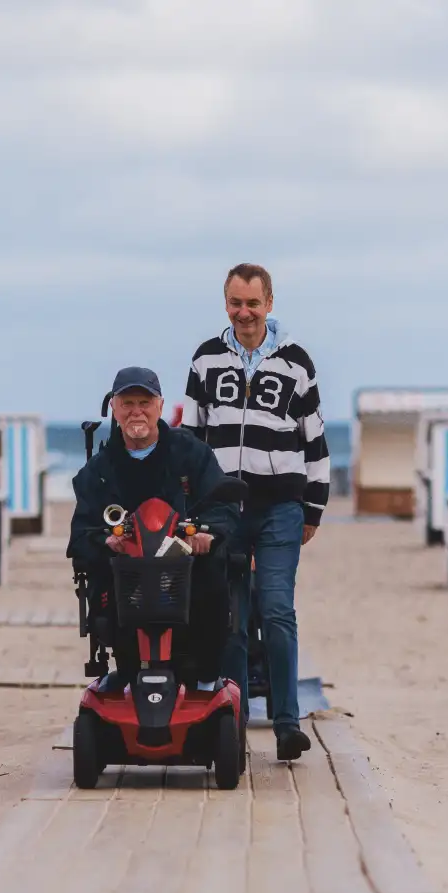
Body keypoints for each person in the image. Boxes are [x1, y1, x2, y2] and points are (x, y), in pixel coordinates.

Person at [181, 263, 330, 760]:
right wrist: (191, 507)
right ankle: (235, 717)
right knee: (232, 618)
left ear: (269, 303)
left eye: (253, 303)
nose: (244, 313)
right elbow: (192, 442)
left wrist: (313, 508)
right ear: (226, 303)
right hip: (223, 513)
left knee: (276, 610)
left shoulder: (296, 363)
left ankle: (287, 724)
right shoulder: (206, 360)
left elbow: (315, 442)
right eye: (235, 303)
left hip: (279, 510)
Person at [67, 366, 239, 686]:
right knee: (103, 578)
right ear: (113, 409)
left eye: (144, 403)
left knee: (216, 570)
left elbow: (223, 506)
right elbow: (80, 534)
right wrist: (105, 543)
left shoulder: (191, 453)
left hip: (186, 570)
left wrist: (209, 533)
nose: (136, 412)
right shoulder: (99, 470)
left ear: (160, 406)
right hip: (128, 578)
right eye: (127, 403)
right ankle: (130, 674)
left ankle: (204, 679)